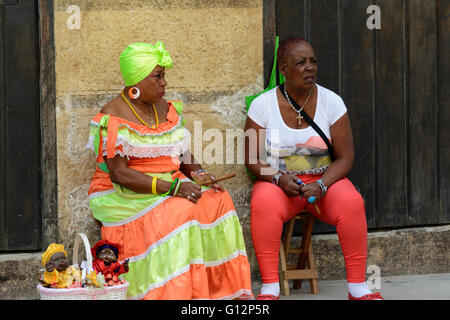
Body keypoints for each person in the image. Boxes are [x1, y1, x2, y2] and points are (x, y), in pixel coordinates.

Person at [87, 42, 252, 300]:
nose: (164, 83)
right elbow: (120, 174)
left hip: (169, 181)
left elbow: (182, 153)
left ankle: (219, 293)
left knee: (219, 200)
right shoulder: (112, 115)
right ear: (137, 80)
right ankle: (178, 294)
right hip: (124, 192)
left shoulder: (165, 107)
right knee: (182, 209)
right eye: (158, 76)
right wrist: (174, 188)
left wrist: (199, 174)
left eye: (164, 75)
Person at [244, 38, 383, 300]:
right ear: (283, 69)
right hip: (281, 186)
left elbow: (345, 157)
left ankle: (358, 287)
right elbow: (251, 159)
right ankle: (270, 287)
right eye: (301, 62)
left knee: (352, 201)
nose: (310, 68)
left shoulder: (332, 102)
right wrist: (277, 179)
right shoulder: (262, 105)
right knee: (262, 202)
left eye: (313, 61)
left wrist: (322, 184)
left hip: (323, 183)